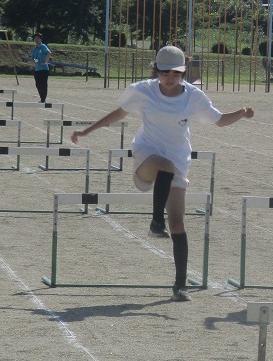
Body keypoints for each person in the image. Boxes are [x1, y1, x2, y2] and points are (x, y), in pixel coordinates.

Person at [71, 45, 254, 301]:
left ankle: (180, 285)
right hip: (147, 155)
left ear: (183, 72)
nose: (170, 78)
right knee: (164, 166)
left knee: (178, 222)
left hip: (178, 159)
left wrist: (242, 113)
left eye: (176, 73)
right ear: (156, 70)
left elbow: (220, 120)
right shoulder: (143, 91)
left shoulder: (193, 96)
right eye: (165, 72)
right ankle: (156, 222)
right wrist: (86, 131)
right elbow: (118, 113)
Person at [32, 33, 51, 103]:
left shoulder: (42, 46)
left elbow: (49, 53)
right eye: (35, 39)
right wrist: (35, 62)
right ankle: (42, 97)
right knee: (38, 84)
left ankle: (43, 99)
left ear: (41, 39)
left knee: (43, 84)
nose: (36, 40)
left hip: (44, 69)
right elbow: (33, 57)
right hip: (37, 69)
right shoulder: (35, 49)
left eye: (38, 38)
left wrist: (46, 61)